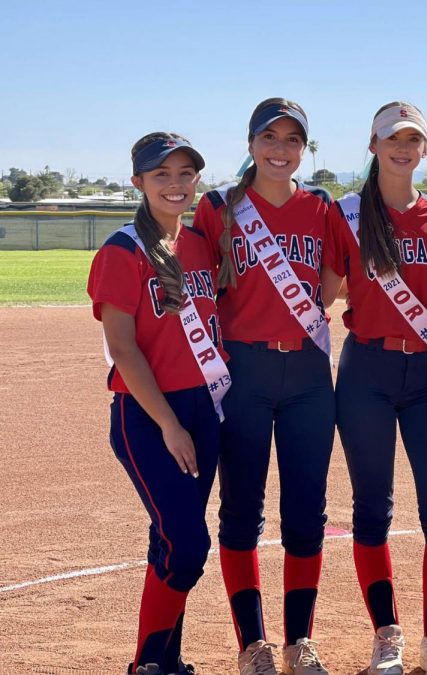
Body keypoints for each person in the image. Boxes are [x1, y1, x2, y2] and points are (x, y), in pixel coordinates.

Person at [192, 98, 334, 675]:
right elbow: (194, 282)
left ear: (304, 148)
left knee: (306, 511)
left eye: (292, 140)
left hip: (306, 375)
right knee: (241, 510)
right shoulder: (217, 207)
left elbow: (333, 278)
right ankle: (253, 644)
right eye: (269, 138)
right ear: (251, 143)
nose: (281, 150)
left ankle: (300, 640)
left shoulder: (321, 207)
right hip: (243, 373)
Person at [321, 101, 427, 675]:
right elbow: (325, 291)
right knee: (371, 509)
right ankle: (387, 636)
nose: (403, 148)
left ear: (425, 149)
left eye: (413, 139)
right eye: (392, 139)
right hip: (367, 375)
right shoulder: (346, 213)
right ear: (373, 145)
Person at [87, 133, 227, 675]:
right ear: (138, 182)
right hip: (148, 417)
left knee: (171, 540)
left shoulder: (198, 246)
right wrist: (169, 425)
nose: (175, 184)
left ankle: (164, 662)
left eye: (185, 173)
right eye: (161, 174)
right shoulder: (123, 251)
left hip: (203, 408)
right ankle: (148, 664)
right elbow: (122, 348)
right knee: (189, 543)